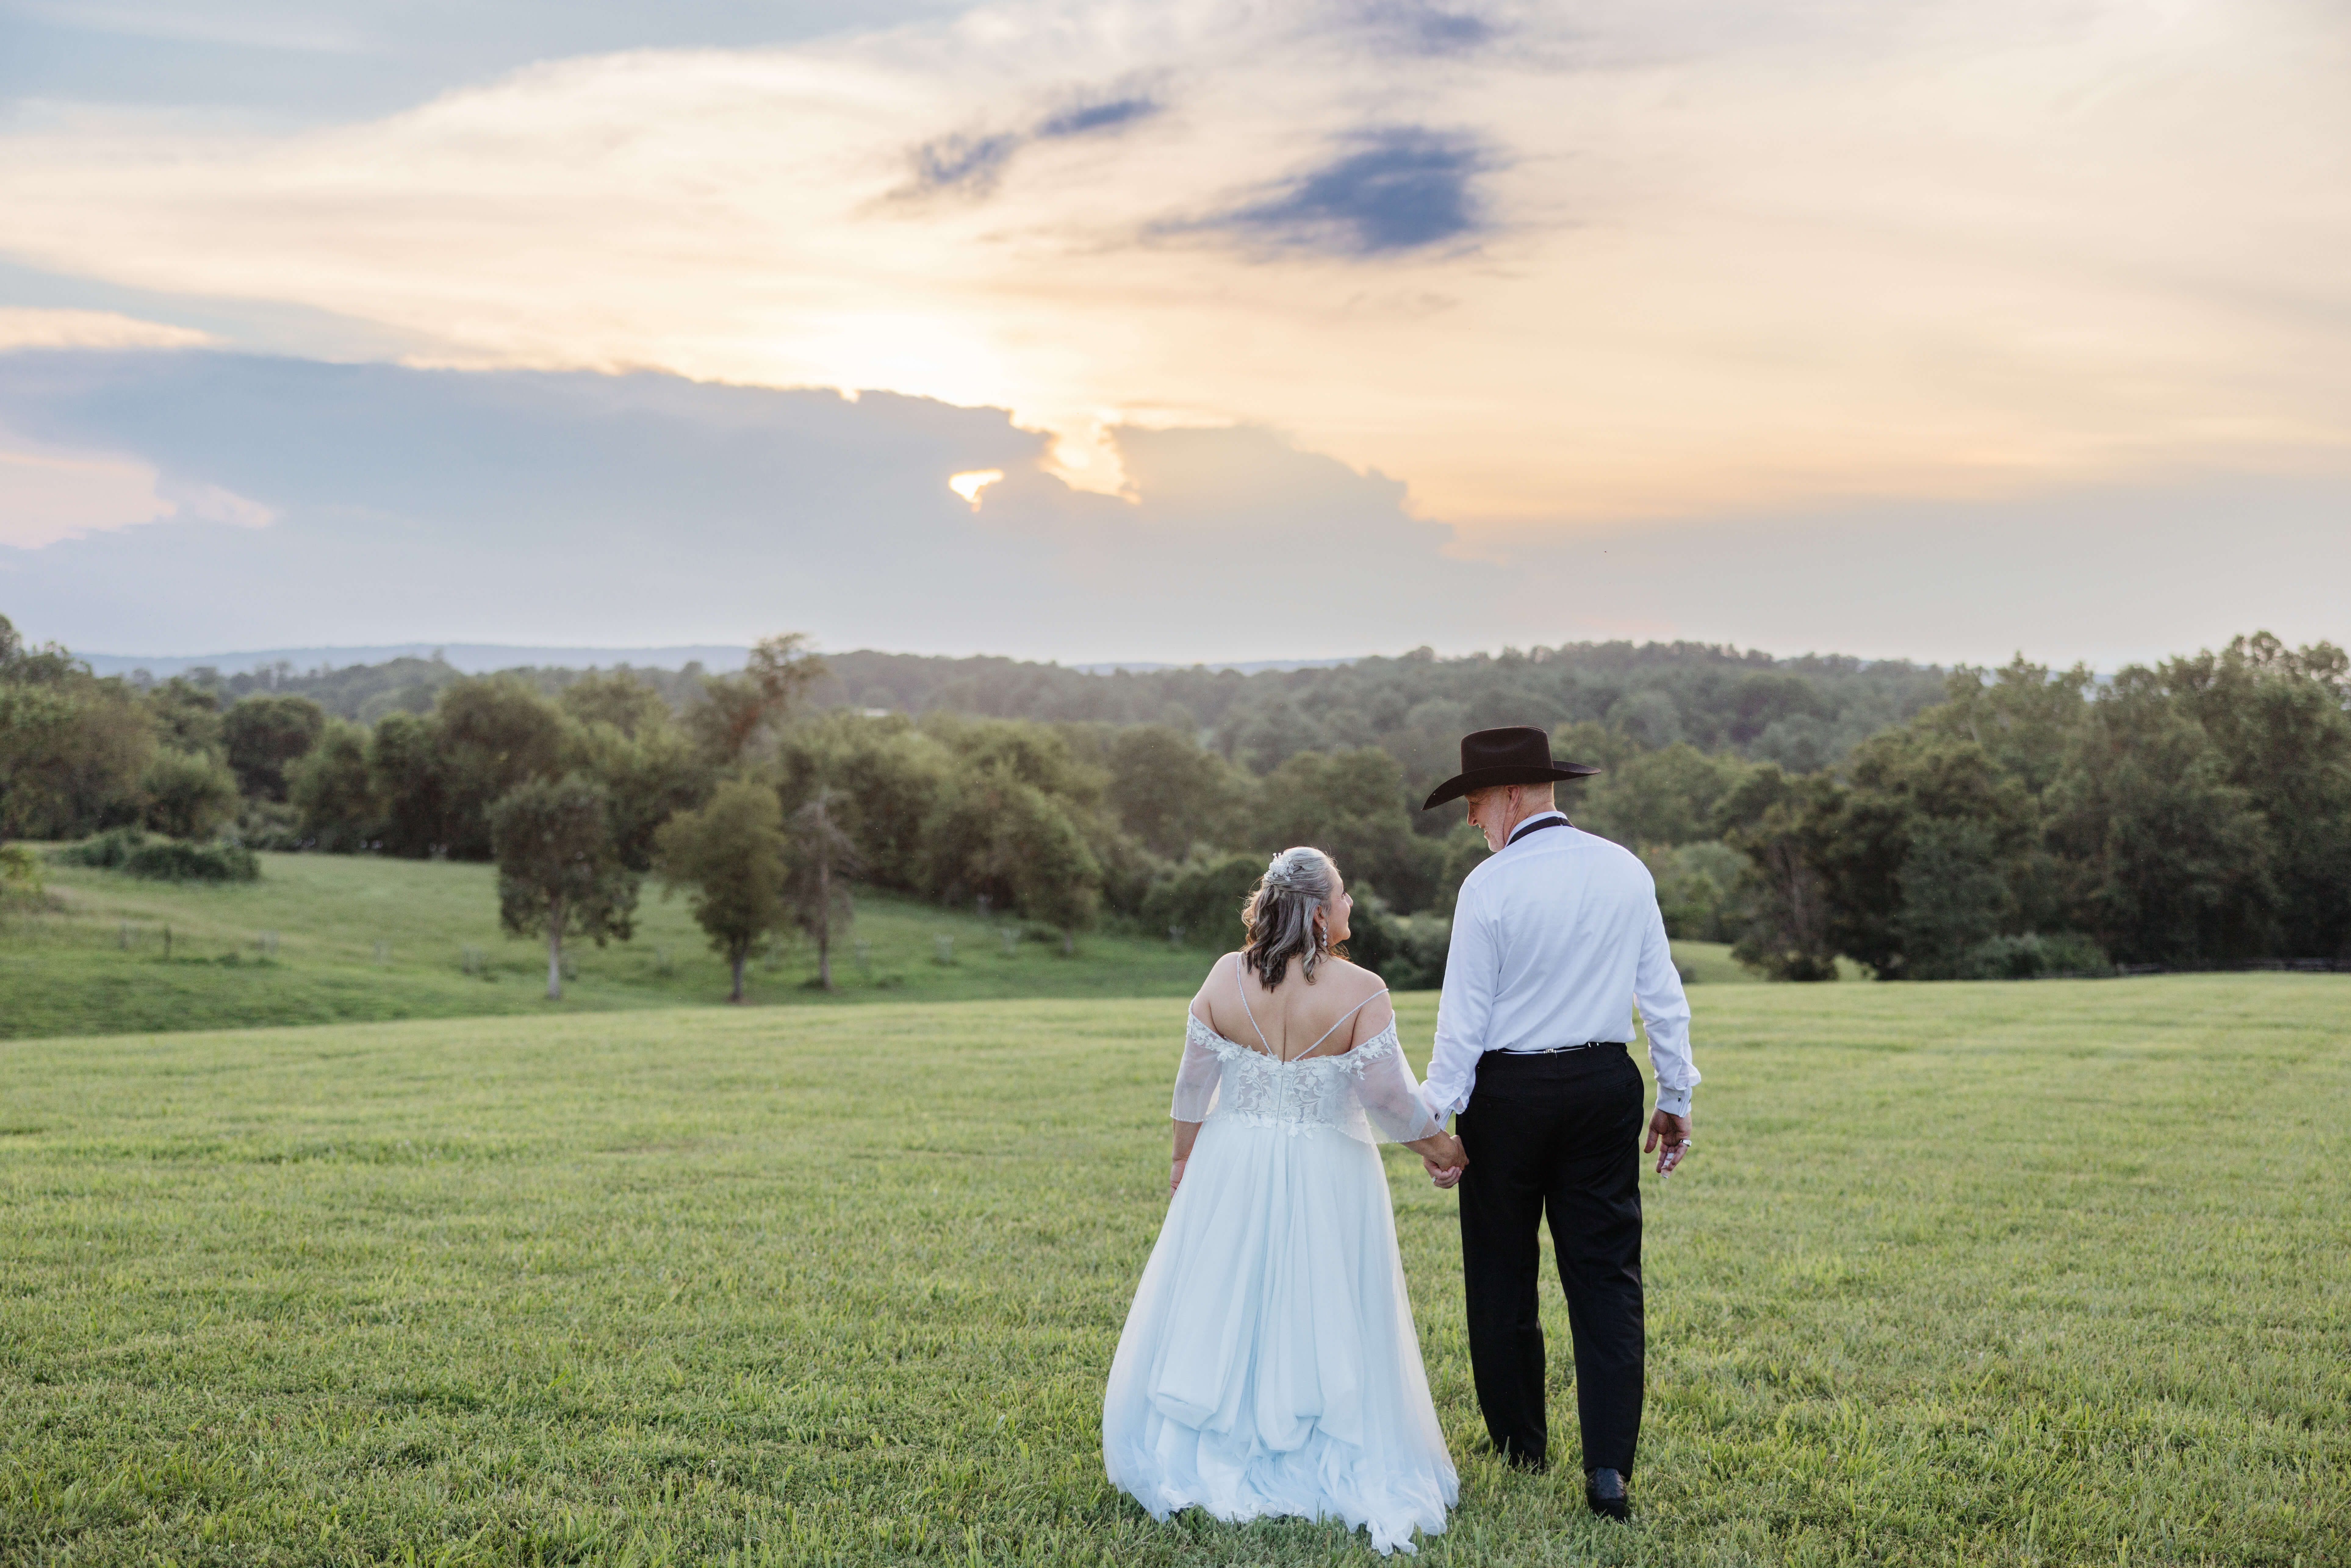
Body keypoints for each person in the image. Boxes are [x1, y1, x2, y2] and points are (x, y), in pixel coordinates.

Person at [1104, 846, 1470, 1555]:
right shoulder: (1362, 989)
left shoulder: (1221, 975)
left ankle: (1217, 1443)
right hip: (1326, 1164)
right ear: (1316, 910)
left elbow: (1191, 1083)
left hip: (1231, 1159)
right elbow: (1389, 1099)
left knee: (1229, 1296)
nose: (1351, 905)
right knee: (1319, 1297)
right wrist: (1441, 1148)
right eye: (1343, 894)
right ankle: (1311, 1438)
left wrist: (1184, 1156)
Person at [1416, 726, 1699, 1521]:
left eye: (1473, 804)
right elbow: (1663, 995)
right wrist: (1673, 1096)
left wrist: (1436, 1120)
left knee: (1500, 1272)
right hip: (1603, 1084)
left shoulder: (1488, 885)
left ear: (1508, 794)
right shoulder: (1624, 868)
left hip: (1506, 1093)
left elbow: (1460, 1023)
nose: (1474, 822)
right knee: (1607, 1277)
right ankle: (1608, 1468)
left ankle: (1520, 1445)